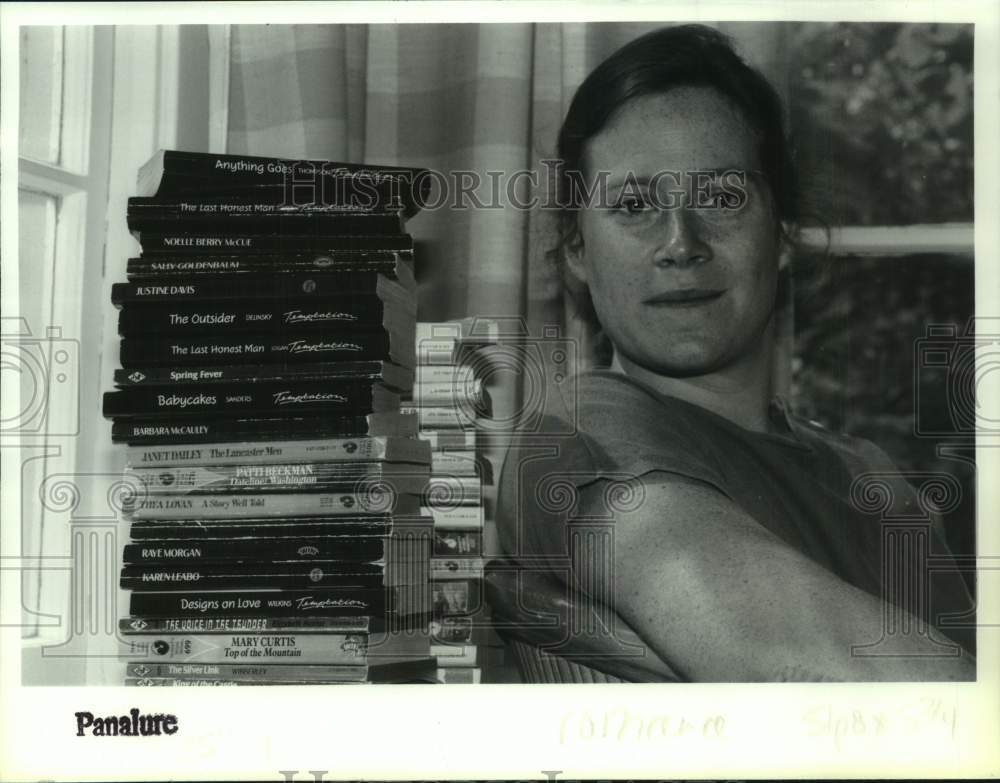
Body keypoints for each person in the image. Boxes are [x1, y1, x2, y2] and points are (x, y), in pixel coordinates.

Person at [487, 24, 975, 683]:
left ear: (779, 235)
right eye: (634, 204)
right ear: (577, 250)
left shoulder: (872, 477)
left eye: (721, 197)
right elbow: (818, 659)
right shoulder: (576, 432)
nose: (681, 243)